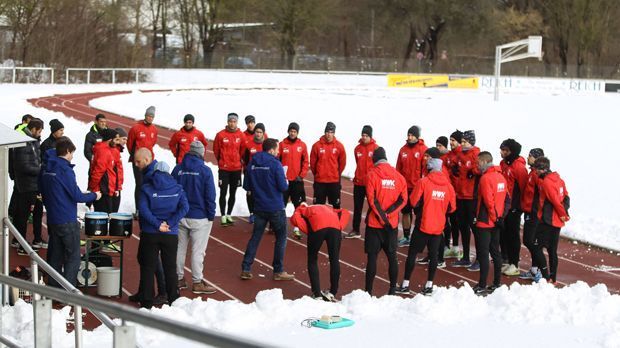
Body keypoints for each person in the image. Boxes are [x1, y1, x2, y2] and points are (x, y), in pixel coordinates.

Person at [40, 137, 101, 287]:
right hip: (66, 219)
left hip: (53, 219)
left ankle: (54, 288)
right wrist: (94, 195)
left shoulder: (46, 169)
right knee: (73, 256)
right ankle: (68, 292)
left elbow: (42, 191)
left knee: (55, 256)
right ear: (67, 151)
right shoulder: (65, 170)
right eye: (72, 153)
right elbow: (76, 196)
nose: (72, 156)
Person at [397, 155, 456, 295]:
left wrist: (420, 209)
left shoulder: (423, 182)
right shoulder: (448, 186)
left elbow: (413, 201)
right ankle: (429, 285)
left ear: (429, 168)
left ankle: (405, 284)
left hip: (423, 225)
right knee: (434, 256)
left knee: (412, 253)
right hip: (438, 228)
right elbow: (452, 207)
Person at [137, 156, 189, 309]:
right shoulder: (177, 188)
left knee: (148, 267)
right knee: (170, 267)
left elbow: (143, 209)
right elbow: (185, 208)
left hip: (150, 233)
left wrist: (157, 224)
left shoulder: (146, 188)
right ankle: (173, 299)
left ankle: (147, 302)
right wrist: (170, 223)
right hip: (170, 234)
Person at [241, 138, 294, 281]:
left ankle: (246, 267)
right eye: (277, 149)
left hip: (259, 206)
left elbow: (246, 186)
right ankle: (278, 270)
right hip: (275, 206)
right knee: (281, 237)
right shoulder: (275, 164)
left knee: (256, 237)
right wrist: (285, 180)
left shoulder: (253, 163)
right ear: (271, 150)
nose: (278, 152)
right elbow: (283, 187)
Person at [172, 141, 217, 294]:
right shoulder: (205, 171)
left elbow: (171, 191)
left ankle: (178, 278)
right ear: (201, 153)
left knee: (179, 249)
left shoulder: (178, 169)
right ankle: (197, 282)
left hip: (180, 215)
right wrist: (211, 215)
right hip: (200, 217)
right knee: (198, 251)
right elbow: (210, 195)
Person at [364, 147, 408, 295]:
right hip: (392, 225)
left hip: (375, 224)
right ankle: (392, 289)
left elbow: (371, 200)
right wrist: (389, 216)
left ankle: (368, 291)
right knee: (392, 257)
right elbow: (403, 200)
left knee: (372, 258)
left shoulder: (371, 175)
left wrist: (382, 217)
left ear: (374, 160)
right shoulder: (399, 177)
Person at [290, 203, 350, 301]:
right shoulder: (329, 208)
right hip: (335, 228)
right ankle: (332, 293)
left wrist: (308, 230)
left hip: (318, 227)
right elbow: (345, 212)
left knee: (312, 259)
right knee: (334, 259)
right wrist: (339, 227)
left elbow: (295, 219)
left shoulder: (304, 209)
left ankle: (317, 294)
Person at [472, 151, 509, 295]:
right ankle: (497, 282)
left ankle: (482, 284)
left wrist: (494, 217)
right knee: (495, 252)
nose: (476, 165)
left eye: (477, 162)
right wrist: (501, 218)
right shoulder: (501, 177)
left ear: (483, 162)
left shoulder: (485, 179)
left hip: (485, 221)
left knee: (483, 254)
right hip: (497, 222)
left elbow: (488, 201)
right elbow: (507, 199)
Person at [531, 156, 570, 284]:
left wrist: (563, 215)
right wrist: (563, 214)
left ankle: (546, 276)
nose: (535, 172)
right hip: (556, 221)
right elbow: (565, 197)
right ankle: (553, 278)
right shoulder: (559, 180)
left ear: (542, 169)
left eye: (536, 169)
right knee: (552, 250)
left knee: (536, 247)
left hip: (548, 220)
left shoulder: (547, 182)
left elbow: (555, 201)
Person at [12, 118, 44, 254]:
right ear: (33, 130)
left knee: (31, 213)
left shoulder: (33, 141)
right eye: (40, 131)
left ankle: (20, 241)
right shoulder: (23, 142)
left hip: (32, 184)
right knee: (22, 216)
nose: (41, 133)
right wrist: (40, 170)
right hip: (26, 185)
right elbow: (23, 166)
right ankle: (21, 244)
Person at [498, 139, 528, 276]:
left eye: (505, 150)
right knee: (503, 234)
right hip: (504, 205)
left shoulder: (519, 167)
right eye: (502, 149)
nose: (502, 152)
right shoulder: (503, 164)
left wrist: (518, 207)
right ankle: (507, 260)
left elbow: (523, 188)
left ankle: (515, 264)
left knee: (513, 235)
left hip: (514, 207)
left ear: (512, 152)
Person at [395, 125, 427, 247]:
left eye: (412, 135)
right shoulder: (403, 150)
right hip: (405, 188)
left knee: (419, 214)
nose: (409, 137)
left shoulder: (423, 150)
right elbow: (398, 168)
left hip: (418, 189)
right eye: (408, 135)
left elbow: (426, 169)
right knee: (405, 212)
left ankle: (418, 237)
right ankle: (407, 236)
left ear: (417, 136)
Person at [452, 130, 480, 268]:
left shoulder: (475, 154)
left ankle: (480, 258)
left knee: (475, 228)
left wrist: (473, 172)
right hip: (460, 195)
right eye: (461, 142)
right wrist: (454, 168)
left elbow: (479, 169)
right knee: (462, 227)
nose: (462, 144)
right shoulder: (460, 154)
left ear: (471, 142)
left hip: (471, 198)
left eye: (464, 142)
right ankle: (466, 256)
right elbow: (455, 164)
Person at [346, 125, 378, 239]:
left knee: (373, 207)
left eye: (366, 135)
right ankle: (356, 230)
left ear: (370, 136)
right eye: (363, 135)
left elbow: (378, 166)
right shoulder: (357, 149)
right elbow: (357, 162)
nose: (364, 137)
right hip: (359, 183)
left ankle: (372, 230)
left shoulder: (376, 148)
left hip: (370, 184)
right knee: (357, 207)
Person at [213, 113, 244, 226]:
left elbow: (243, 150)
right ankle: (223, 215)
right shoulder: (220, 135)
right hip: (224, 169)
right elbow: (216, 150)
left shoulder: (241, 135)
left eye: (234, 121)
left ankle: (229, 214)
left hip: (236, 168)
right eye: (230, 121)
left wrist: (237, 160)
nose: (232, 123)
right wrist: (222, 161)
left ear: (237, 122)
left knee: (233, 192)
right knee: (223, 192)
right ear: (227, 122)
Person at [278, 122, 309, 238]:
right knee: (281, 204)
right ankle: (279, 226)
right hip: (284, 181)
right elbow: (277, 161)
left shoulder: (302, 145)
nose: (292, 133)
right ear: (288, 131)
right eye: (291, 131)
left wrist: (301, 175)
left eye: (295, 131)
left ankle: (297, 228)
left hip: (297, 181)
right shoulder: (282, 144)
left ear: (297, 133)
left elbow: (306, 162)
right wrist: (281, 176)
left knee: (298, 206)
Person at [127, 106, 158, 219]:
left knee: (150, 184)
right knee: (140, 184)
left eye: (152, 116)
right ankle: (139, 210)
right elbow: (130, 144)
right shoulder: (136, 128)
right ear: (145, 116)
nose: (150, 118)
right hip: (138, 162)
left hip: (149, 161)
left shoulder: (154, 129)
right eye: (148, 116)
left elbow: (153, 143)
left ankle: (148, 209)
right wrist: (136, 156)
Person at [519, 148, 545, 280]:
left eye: (530, 156)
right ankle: (535, 269)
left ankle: (540, 269)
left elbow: (540, 193)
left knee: (530, 242)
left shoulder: (537, 175)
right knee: (531, 242)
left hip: (534, 214)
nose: (527, 158)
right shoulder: (532, 173)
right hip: (529, 211)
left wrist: (535, 210)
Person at [310, 122, 346, 209]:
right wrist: (318, 173)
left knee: (336, 207)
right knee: (318, 207)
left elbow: (342, 163)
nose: (329, 134)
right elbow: (313, 163)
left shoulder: (339, 146)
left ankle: (336, 223)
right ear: (324, 132)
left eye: (331, 132)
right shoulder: (316, 146)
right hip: (320, 181)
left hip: (333, 181)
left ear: (334, 133)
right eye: (327, 132)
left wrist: (335, 173)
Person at [88, 128, 121, 214]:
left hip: (105, 189)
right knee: (104, 218)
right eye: (116, 139)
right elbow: (98, 172)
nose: (118, 142)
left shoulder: (103, 149)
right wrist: (92, 187)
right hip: (103, 190)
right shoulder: (104, 151)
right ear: (110, 139)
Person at [443, 130, 463, 259]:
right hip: (448, 193)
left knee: (456, 221)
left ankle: (456, 247)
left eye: (453, 140)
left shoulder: (462, 155)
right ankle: (447, 245)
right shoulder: (449, 156)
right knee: (446, 220)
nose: (451, 143)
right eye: (450, 140)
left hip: (459, 194)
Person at [242, 123, 266, 223]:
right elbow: (245, 158)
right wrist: (247, 169)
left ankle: (260, 213)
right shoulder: (249, 144)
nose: (258, 134)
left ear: (263, 133)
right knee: (250, 193)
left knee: (261, 194)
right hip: (251, 173)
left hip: (263, 174)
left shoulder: (266, 145)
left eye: (260, 132)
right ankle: (251, 213)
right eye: (257, 132)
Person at [112, 128, 128, 212]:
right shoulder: (114, 151)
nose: (125, 141)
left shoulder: (117, 151)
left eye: (126, 139)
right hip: (113, 187)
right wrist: (116, 187)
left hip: (116, 186)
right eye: (123, 139)